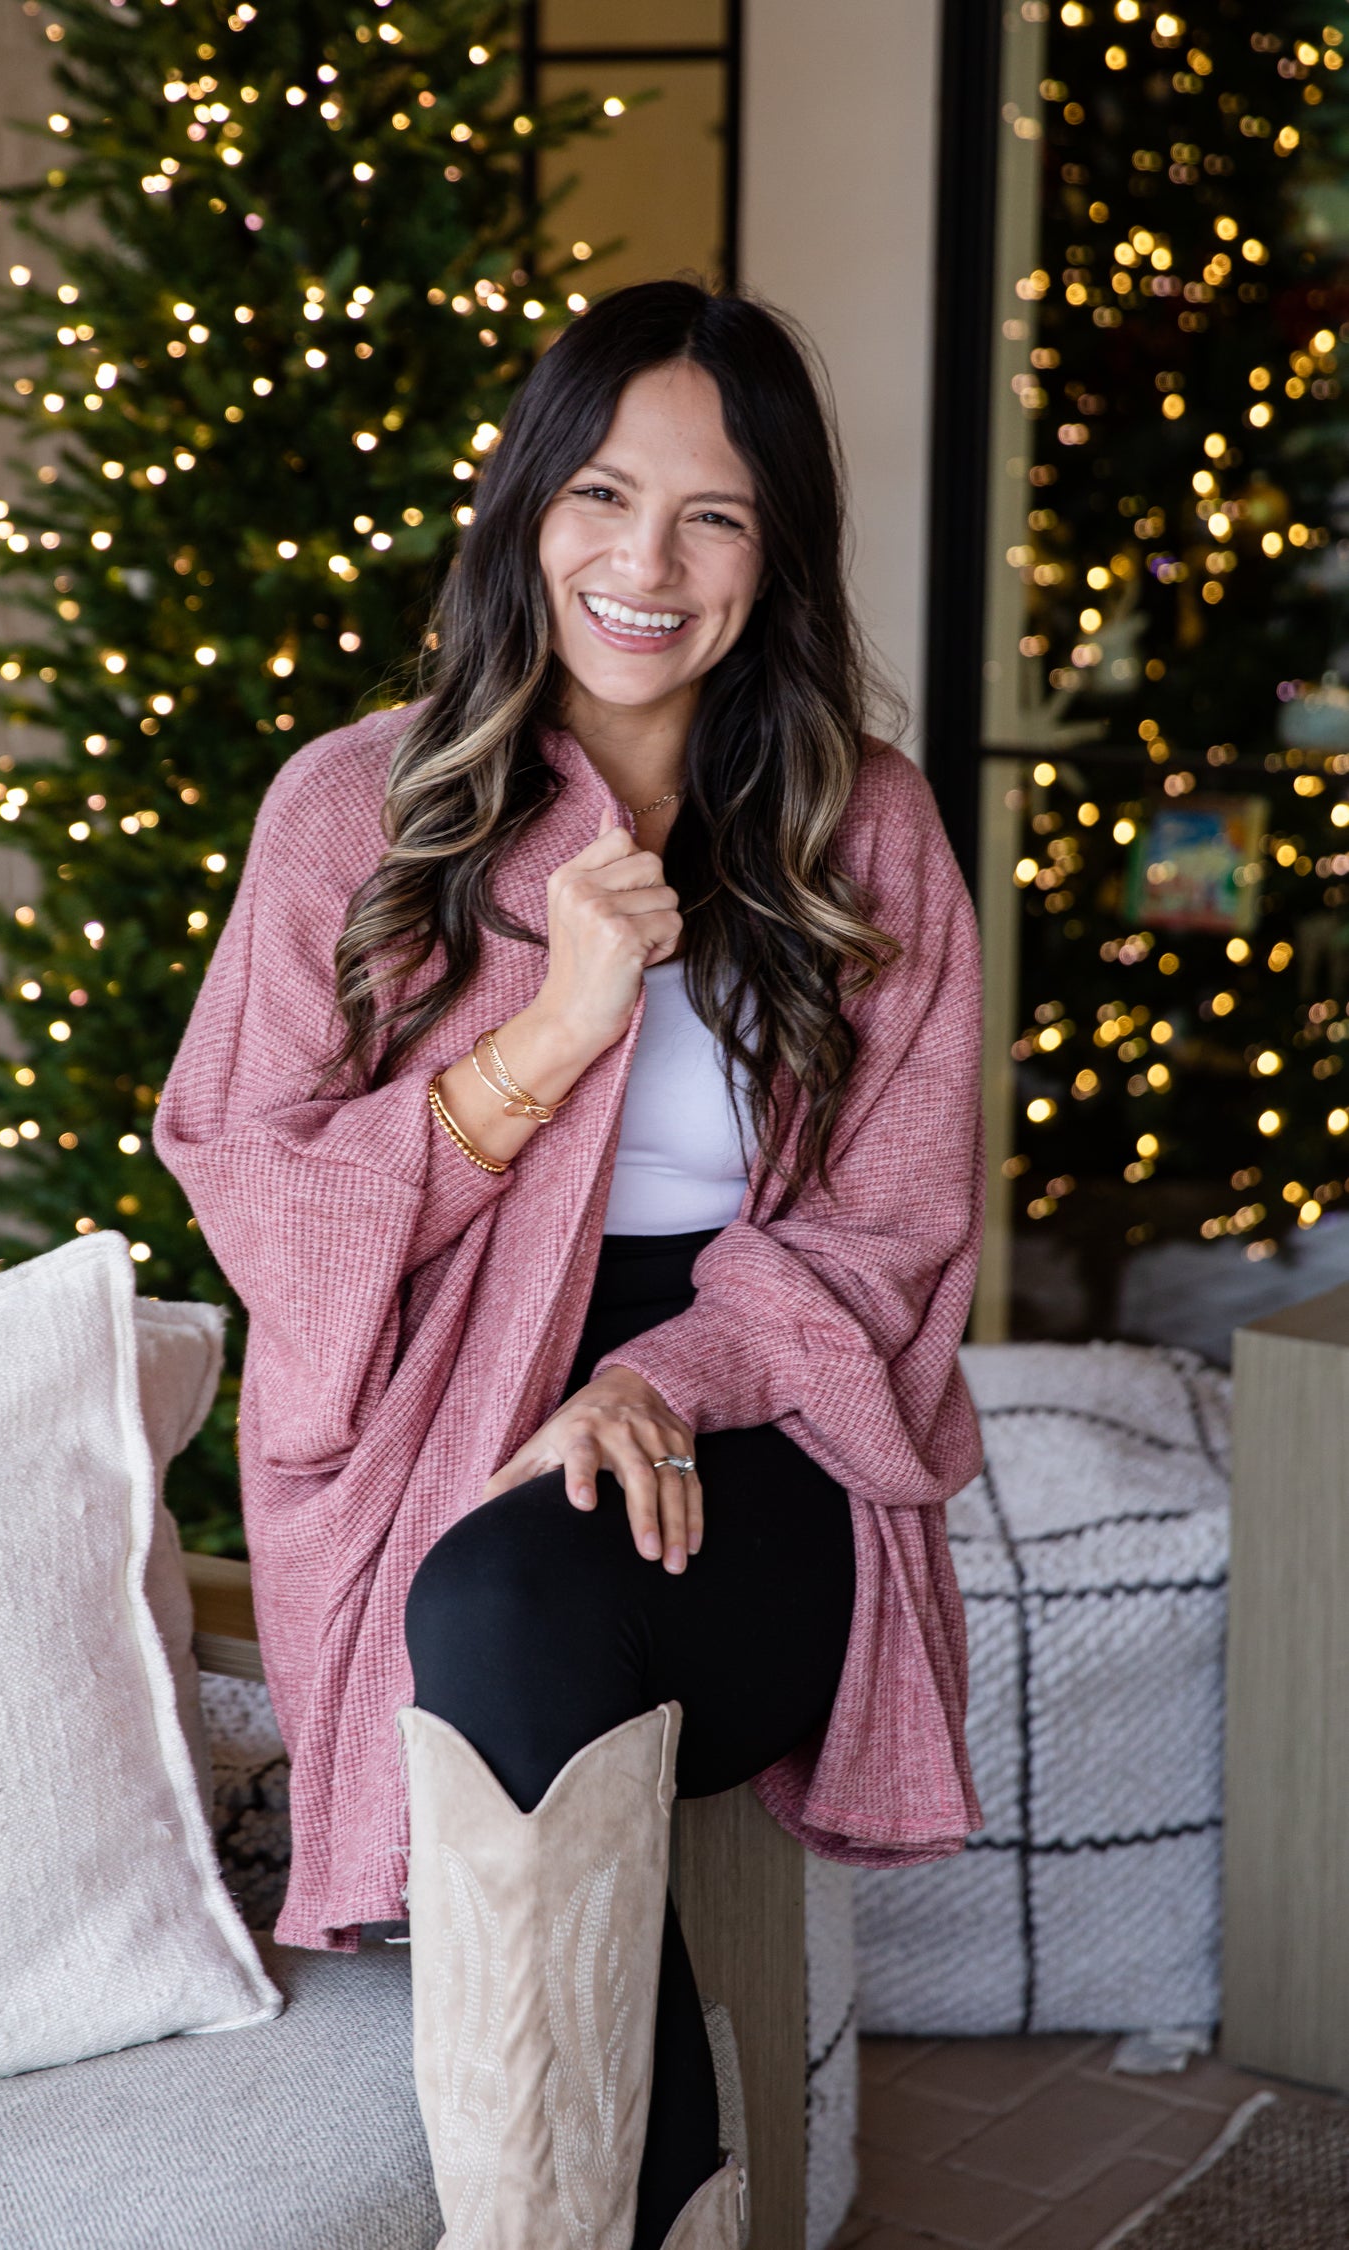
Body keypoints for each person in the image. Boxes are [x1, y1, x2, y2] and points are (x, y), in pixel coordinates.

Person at [155, 279, 985, 2250]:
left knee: (521, 1597)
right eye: (601, 495)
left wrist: (653, 1382)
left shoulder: (861, 834)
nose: (646, 562)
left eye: (713, 514)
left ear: (774, 550)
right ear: (528, 510)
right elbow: (256, 1200)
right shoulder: (359, 811)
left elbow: (894, 1228)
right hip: (430, 1401)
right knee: (509, 1600)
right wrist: (554, 1026)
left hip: (755, 1412)